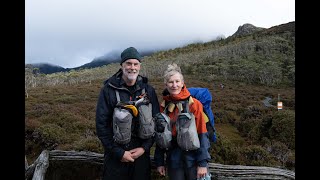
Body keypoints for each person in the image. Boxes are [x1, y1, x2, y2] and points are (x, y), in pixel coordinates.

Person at [96, 47, 160, 180]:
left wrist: (144, 148)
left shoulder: (148, 90)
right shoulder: (108, 90)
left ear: (140, 66)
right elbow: (101, 126)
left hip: (141, 156)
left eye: (135, 64)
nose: (132, 67)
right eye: (128, 63)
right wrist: (119, 153)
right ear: (122, 65)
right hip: (115, 157)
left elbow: (157, 121)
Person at [154, 63, 211, 180]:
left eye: (177, 81)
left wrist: (202, 164)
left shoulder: (194, 104)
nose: (174, 85)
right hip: (174, 160)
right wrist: (159, 162)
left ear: (182, 83)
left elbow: (202, 133)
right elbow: (160, 135)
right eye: (170, 82)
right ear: (166, 84)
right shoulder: (164, 106)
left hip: (194, 160)